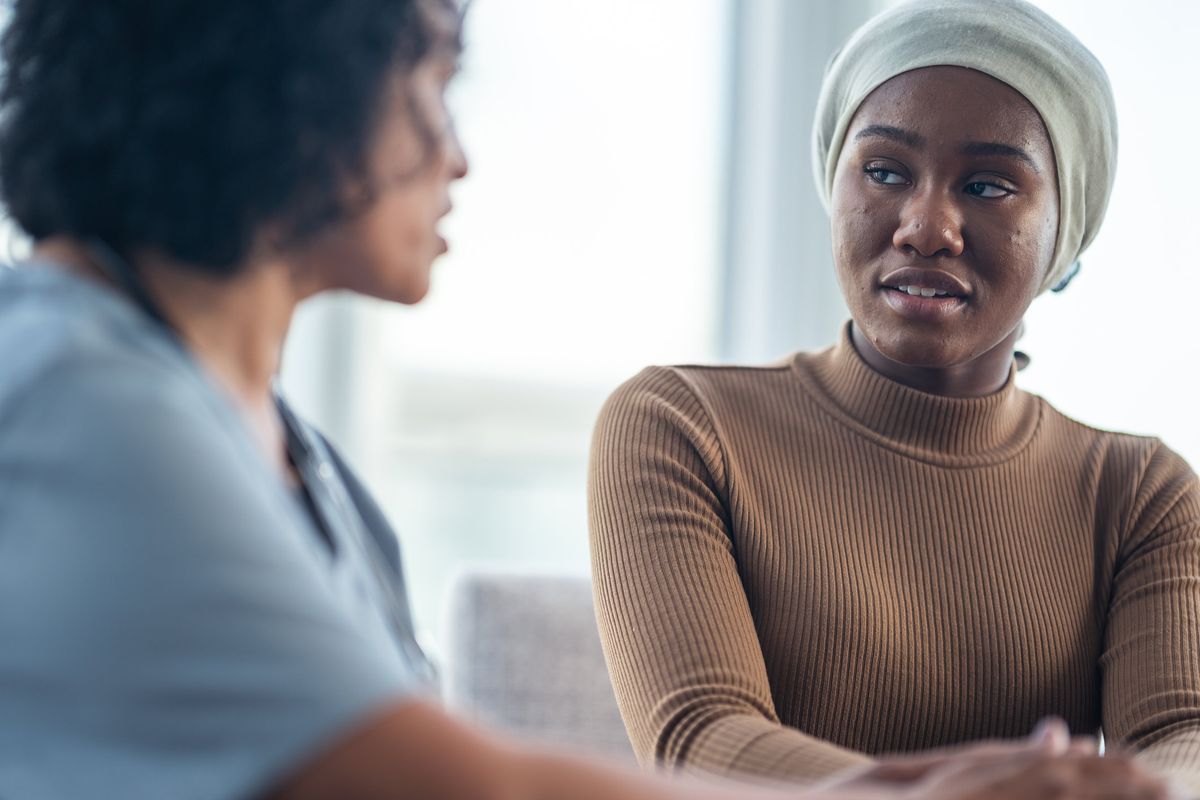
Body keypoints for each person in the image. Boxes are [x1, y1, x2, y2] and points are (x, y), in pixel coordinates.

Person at [0, 1, 1158, 799]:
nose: (454, 152)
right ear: (285, 85)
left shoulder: (298, 463)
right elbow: (462, 787)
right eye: (429, 81)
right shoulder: (73, 399)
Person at [588, 0, 1200, 795]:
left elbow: (1183, 743)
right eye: (883, 171)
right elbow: (701, 738)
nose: (926, 226)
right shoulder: (682, 426)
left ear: (1064, 234)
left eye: (988, 185)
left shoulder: (1141, 494)